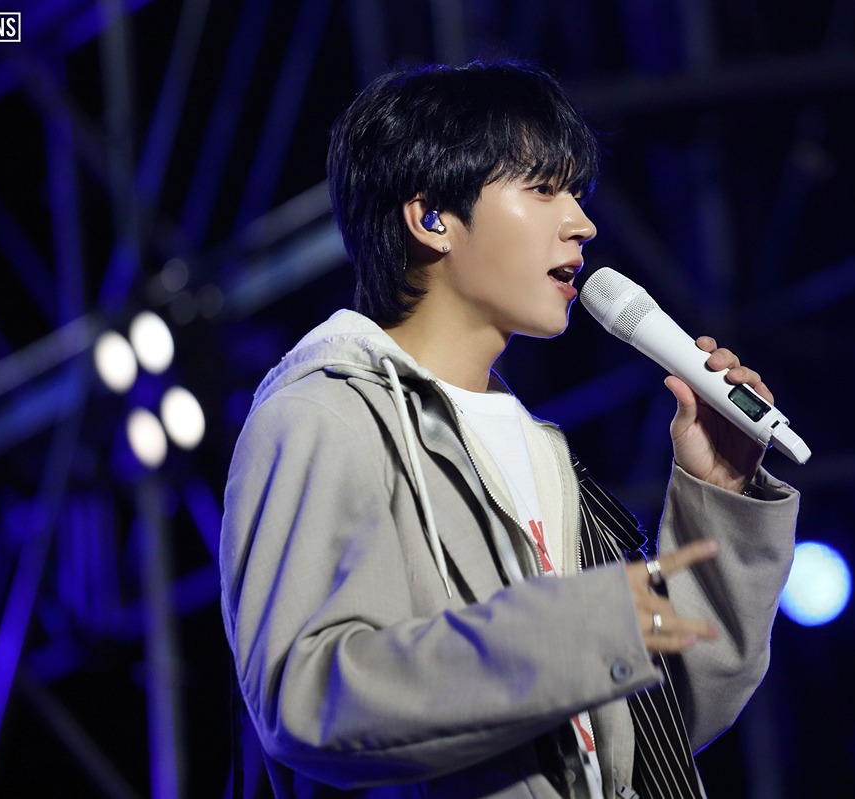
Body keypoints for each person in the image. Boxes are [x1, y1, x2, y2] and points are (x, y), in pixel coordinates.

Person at [219, 61, 799, 799]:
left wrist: (718, 492)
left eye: (577, 193)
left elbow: (651, 725)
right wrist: (579, 630)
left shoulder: (539, 450)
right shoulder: (324, 414)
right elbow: (308, 698)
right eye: (543, 189)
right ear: (432, 218)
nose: (583, 223)